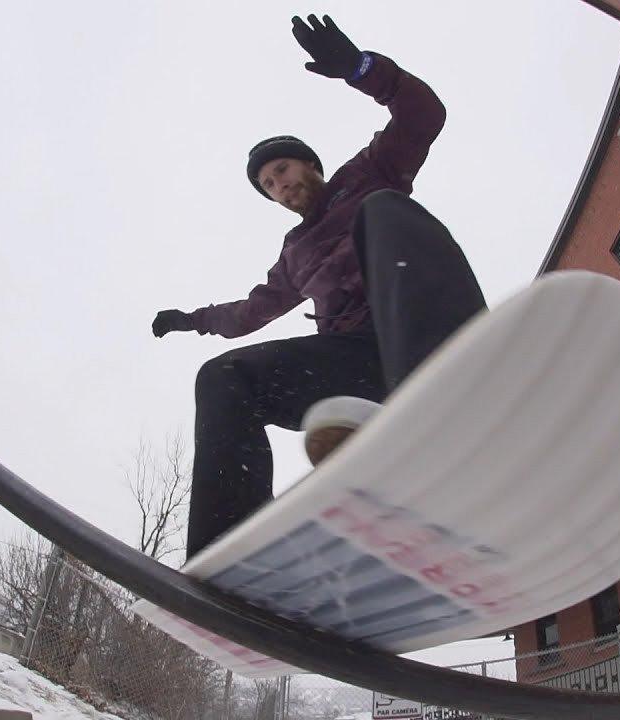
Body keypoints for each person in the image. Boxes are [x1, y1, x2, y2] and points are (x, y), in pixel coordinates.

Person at [151, 15, 487, 558]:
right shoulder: (294, 252)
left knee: (380, 210)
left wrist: (362, 69)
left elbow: (424, 116)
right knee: (223, 379)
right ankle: (228, 560)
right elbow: (248, 315)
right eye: (269, 186)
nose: (280, 186)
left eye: (283, 171)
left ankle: (439, 390)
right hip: (362, 362)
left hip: (424, 325)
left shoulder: (368, 173)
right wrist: (191, 320)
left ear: (311, 165)